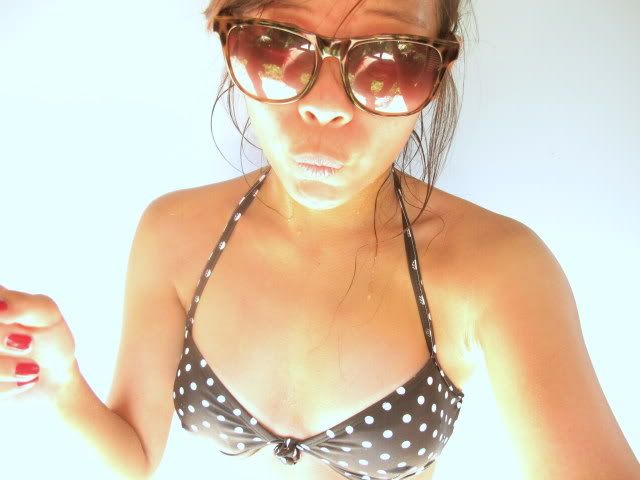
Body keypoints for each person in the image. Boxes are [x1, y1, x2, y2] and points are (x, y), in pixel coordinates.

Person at [0, 0, 638, 479]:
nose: (327, 104)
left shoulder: (499, 268)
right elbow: (135, 457)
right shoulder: (173, 232)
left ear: (437, 74)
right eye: (276, 47)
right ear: (228, 42)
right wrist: (60, 383)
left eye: (390, 60)